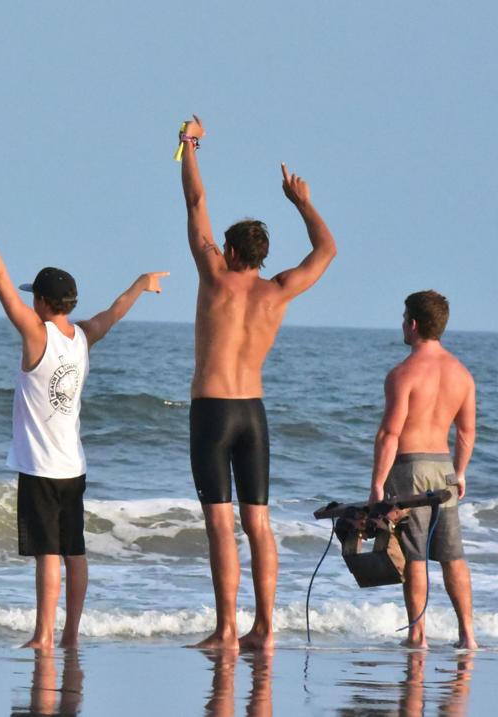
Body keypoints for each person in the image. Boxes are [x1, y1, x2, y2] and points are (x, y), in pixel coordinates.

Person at [0, 194, 166, 649]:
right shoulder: (82, 336)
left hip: (40, 469)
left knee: (47, 555)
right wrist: (141, 283)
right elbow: (114, 311)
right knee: (73, 552)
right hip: (73, 467)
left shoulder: (37, 334)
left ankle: (42, 636)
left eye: (31, 297)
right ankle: (71, 635)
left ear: (40, 301)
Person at [178, 115, 337, 651]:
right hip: (254, 415)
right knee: (259, 525)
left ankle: (226, 630)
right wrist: (301, 201)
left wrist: (189, 144)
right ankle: (266, 629)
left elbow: (196, 205)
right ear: (262, 255)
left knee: (222, 527)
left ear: (230, 250)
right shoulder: (278, 290)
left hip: (213, 413)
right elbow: (326, 252)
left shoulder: (214, 276)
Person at [369, 290, 477, 649]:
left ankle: (418, 634)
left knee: (414, 556)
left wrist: (377, 485)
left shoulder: (403, 374)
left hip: (410, 470)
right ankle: (468, 636)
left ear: (413, 324)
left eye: (404, 318)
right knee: (453, 557)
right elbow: (466, 431)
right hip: (444, 468)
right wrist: (460, 472)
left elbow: (389, 434)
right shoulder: (462, 374)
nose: (402, 324)